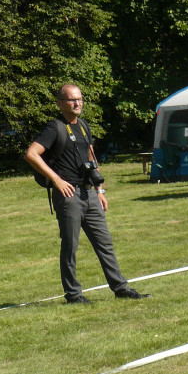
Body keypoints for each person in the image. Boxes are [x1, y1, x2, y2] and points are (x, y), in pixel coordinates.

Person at [25, 84, 149, 304]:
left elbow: (91, 158)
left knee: (105, 242)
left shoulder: (83, 126)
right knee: (70, 245)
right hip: (68, 194)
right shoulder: (54, 127)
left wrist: (100, 190)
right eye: (72, 99)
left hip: (89, 193)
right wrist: (56, 180)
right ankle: (73, 295)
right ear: (60, 103)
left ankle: (120, 288)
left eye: (80, 99)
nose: (77, 103)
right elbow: (32, 154)